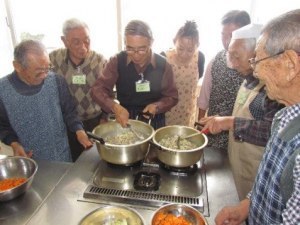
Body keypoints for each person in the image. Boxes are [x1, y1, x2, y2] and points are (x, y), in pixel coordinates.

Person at [215, 9, 300, 225]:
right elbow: (271, 179)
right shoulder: (286, 115)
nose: (256, 71)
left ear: (290, 65)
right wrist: (248, 206)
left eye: (258, 60)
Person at [200, 24, 283, 200]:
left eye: (237, 57)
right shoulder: (248, 79)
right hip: (236, 163)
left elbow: (273, 132)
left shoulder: (273, 89)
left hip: (254, 171)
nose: (233, 63)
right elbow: (248, 114)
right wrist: (222, 119)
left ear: (257, 53)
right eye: (231, 55)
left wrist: (230, 122)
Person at [0, 40, 93, 162]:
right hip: (28, 161)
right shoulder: (3, 91)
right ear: (17, 66)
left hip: (62, 156)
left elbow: (70, 112)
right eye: (39, 72)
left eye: (47, 68)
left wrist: (79, 131)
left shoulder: (56, 81)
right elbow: (2, 126)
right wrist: (14, 144)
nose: (45, 75)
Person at [91, 20, 178, 129]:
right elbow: (97, 90)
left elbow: (172, 96)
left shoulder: (163, 64)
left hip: (153, 118)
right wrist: (114, 107)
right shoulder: (117, 61)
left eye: (142, 49)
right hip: (125, 117)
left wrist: (156, 106)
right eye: (130, 49)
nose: (136, 55)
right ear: (125, 43)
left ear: (151, 43)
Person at [49, 18, 107, 161]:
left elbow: (107, 92)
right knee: (72, 161)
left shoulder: (99, 61)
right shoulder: (53, 59)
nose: (83, 46)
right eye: (76, 42)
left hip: (94, 120)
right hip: (66, 123)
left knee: (95, 160)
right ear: (64, 41)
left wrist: (105, 117)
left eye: (87, 40)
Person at [197, 10, 250, 150]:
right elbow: (204, 98)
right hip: (213, 130)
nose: (226, 41)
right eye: (223, 35)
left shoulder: (254, 67)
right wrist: (199, 125)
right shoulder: (216, 60)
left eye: (232, 36)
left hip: (242, 137)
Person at [161, 20, 205, 127]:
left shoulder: (200, 58)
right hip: (166, 113)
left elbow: (198, 78)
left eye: (190, 50)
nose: (184, 54)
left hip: (187, 112)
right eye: (180, 48)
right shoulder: (164, 58)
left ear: (197, 45)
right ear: (174, 41)